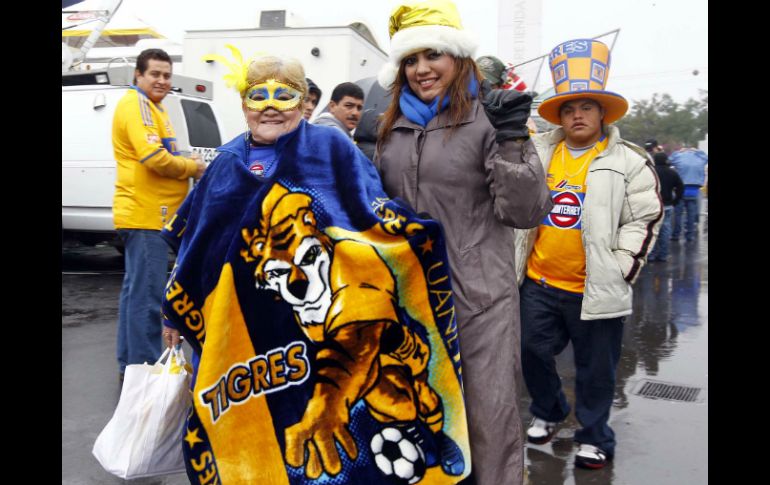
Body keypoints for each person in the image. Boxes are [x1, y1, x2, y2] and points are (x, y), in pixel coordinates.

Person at [161, 48, 472, 484]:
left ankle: (430, 435)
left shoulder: (330, 150)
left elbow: (370, 215)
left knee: (391, 395)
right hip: (247, 332)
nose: (270, 106)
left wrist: (413, 235)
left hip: (338, 322)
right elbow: (194, 244)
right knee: (247, 423)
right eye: (258, 95)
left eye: (284, 94)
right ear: (244, 103)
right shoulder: (225, 164)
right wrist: (173, 312)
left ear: (304, 100)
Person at [373, 2, 553, 484]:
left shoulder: (489, 119)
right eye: (410, 60)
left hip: (478, 301)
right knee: (418, 418)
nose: (421, 69)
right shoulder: (391, 128)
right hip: (409, 302)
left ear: (458, 57)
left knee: (486, 423)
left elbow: (525, 212)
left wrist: (512, 139)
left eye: (433, 55)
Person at [514, 38, 663, 470]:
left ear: (602, 114)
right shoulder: (539, 152)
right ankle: (549, 409)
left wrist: (619, 269)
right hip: (539, 282)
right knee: (531, 352)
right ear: (559, 116)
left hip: (594, 287)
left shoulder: (629, 161)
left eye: (586, 107)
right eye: (569, 109)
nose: (577, 115)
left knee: (596, 370)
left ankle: (595, 437)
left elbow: (644, 219)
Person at [111, 48, 206, 380]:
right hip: (147, 215)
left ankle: (131, 366)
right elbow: (155, 158)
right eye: (155, 73)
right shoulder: (137, 105)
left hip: (149, 215)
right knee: (148, 298)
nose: (162, 80)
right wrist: (193, 167)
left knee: (136, 294)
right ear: (138, 75)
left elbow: (166, 152)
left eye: (167, 75)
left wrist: (186, 160)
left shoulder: (155, 107)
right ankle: (145, 370)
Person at [648, 151, 684, 262]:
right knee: (665, 230)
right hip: (667, 205)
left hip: (652, 204)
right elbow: (680, 187)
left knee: (652, 229)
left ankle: (651, 254)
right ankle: (663, 255)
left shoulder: (650, 172)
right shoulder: (672, 172)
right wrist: (675, 201)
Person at [669, 146, 708, 242]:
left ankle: (676, 234)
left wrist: (678, 151)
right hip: (694, 190)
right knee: (691, 215)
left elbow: (669, 160)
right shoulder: (700, 158)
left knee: (678, 214)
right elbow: (706, 158)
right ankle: (689, 236)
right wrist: (698, 151)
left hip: (680, 189)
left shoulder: (679, 157)